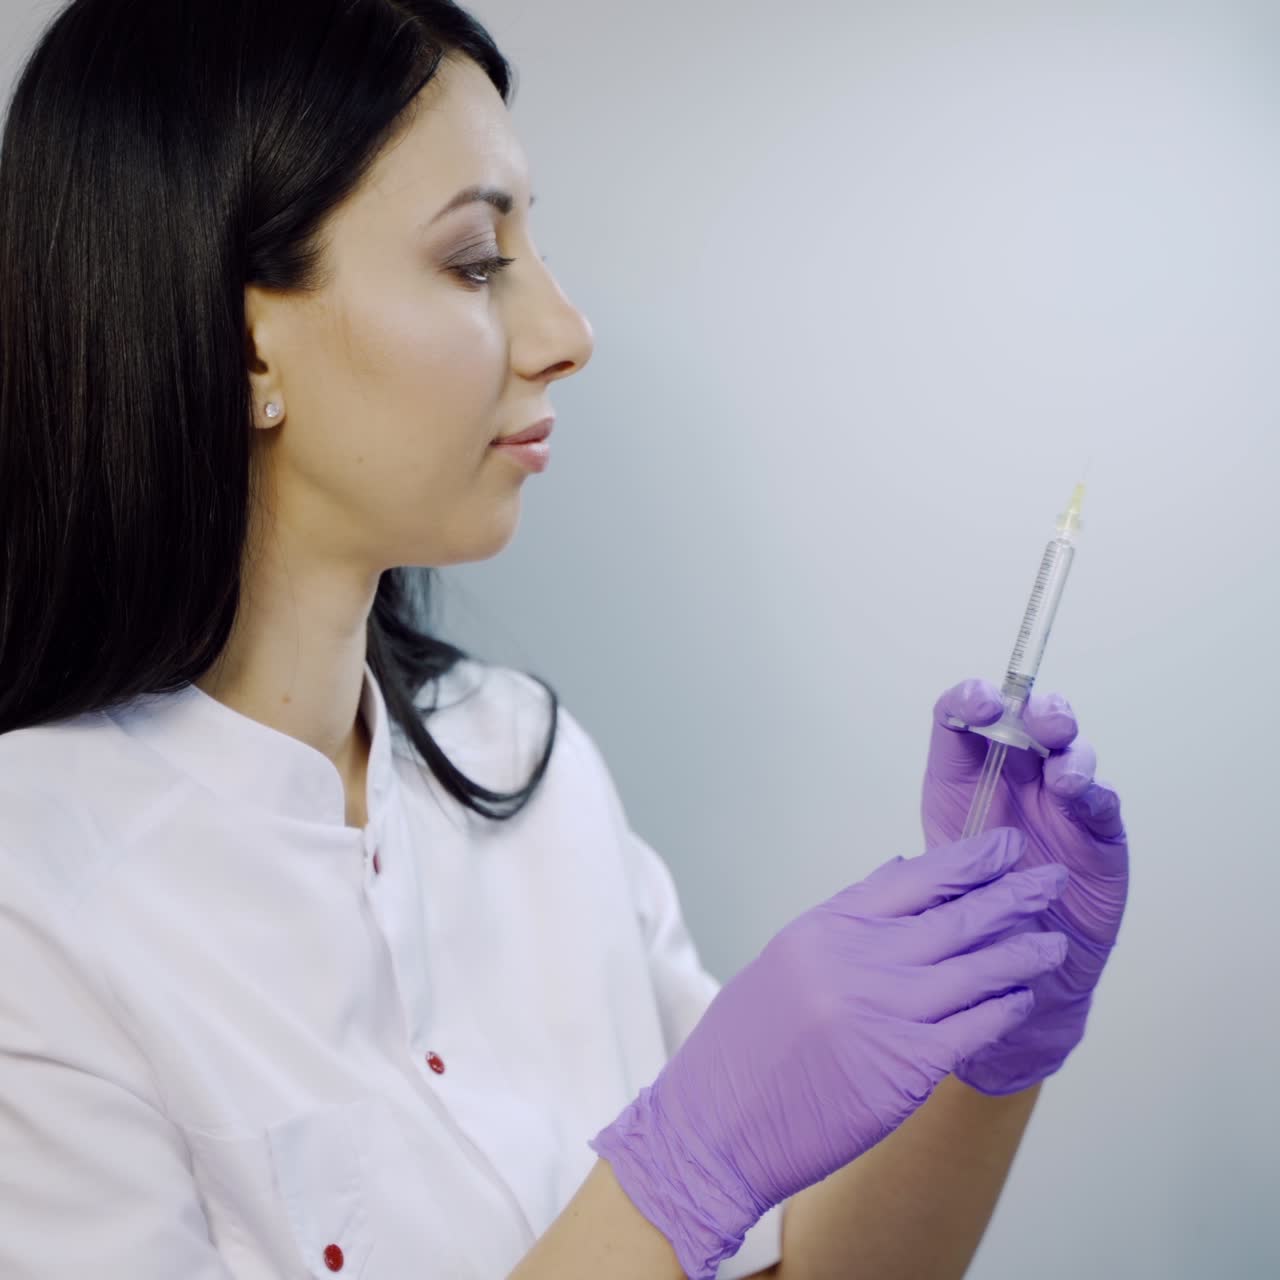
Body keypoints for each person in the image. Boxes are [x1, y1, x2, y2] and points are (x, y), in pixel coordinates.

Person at [0, 2, 1131, 1277]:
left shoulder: (527, 765)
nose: (565, 333)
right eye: (477, 261)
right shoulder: (30, 910)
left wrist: (995, 1044)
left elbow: (803, 1271)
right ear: (242, 332)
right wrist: (681, 1164)